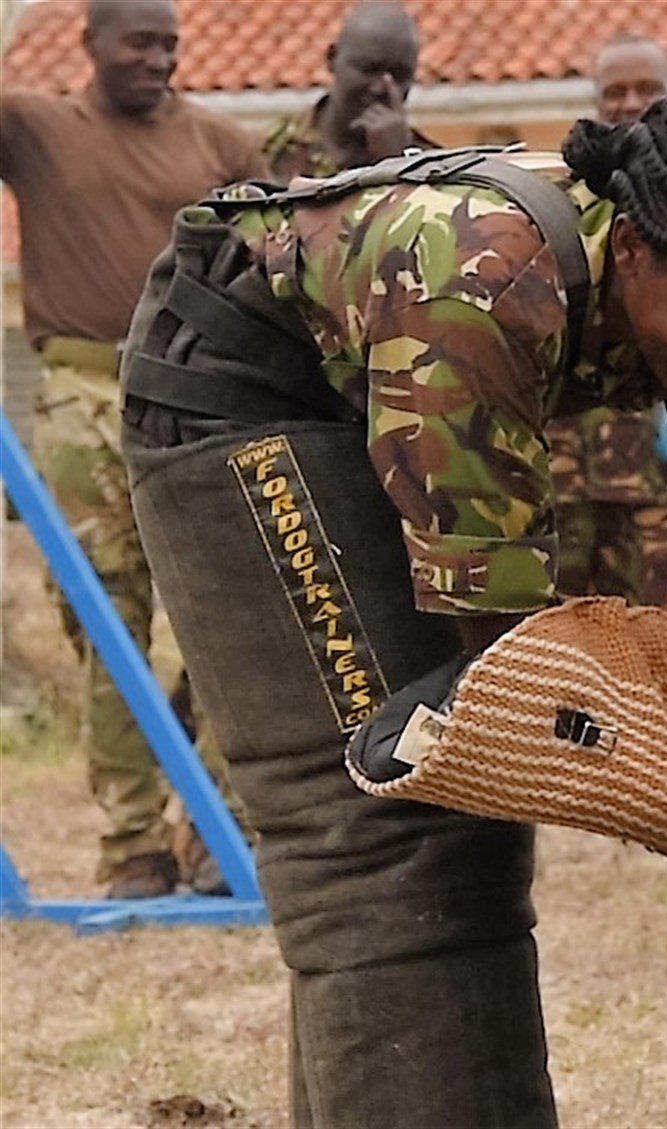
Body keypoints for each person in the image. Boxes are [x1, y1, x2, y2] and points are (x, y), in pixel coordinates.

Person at [119, 86, 667, 1125]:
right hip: (244, 392)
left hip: (372, 387)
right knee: (388, 825)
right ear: (638, 253)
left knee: (455, 812)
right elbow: (519, 666)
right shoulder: (481, 287)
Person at [0, 0, 263, 898]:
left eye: (171, 45)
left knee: (225, 619)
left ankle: (219, 834)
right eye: (140, 43)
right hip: (81, 397)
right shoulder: (37, 128)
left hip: (196, 395)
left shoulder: (221, 145)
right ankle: (132, 847)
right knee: (108, 625)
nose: (160, 59)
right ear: (89, 45)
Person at [542, 32, 667, 635]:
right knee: (562, 644)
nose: (630, 102)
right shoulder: (558, 202)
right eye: (614, 91)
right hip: (562, 471)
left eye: (647, 89)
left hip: (661, 476)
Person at [262, 1, 431, 180]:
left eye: (400, 75)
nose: (380, 88)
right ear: (332, 59)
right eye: (368, 69)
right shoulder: (271, 152)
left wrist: (398, 164)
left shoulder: (432, 171)